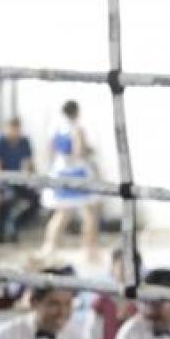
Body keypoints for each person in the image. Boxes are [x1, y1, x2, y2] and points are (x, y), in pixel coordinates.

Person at [39, 100, 100, 261]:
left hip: (60, 172)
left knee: (62, 214)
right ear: (77, 112)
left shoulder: (56, 128)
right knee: (89, 214)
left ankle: (49, 246)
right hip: (76, 173)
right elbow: (79, 152)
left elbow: (50, 151)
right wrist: (89, 149)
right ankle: (89, 249)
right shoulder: (76, 129)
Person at [0, 266, 98, 339]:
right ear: (33, 303)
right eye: (54, 304)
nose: (62, 312)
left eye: (68, 304)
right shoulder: (5, 336)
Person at [82, 247, 141, 339]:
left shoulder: (144, 305)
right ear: (112, 269)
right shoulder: (101, 304)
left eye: (131, 267)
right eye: (122, 267)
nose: (127, 271)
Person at [0, 117, 39, 242]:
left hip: (19, 181)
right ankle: (3, 230)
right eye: (12, 129)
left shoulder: (24, 142)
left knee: (35, 199)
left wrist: (28, 175)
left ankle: (15, 225)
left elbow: (28, 163)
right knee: (7, 198)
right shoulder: (0, 142)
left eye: (17, 129)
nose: (14, 132)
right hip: (3, 182)